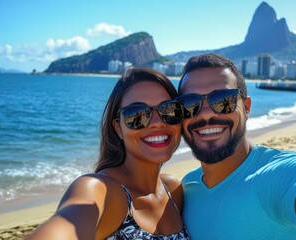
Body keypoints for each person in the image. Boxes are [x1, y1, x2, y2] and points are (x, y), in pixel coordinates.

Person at [177, 53, 296, 240]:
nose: (206, 114)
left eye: (224, 101)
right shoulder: (186, 188)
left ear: (246, 108)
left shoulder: (279, 176)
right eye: (190, 104)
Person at [26, 68, 190, 240]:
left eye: (169, 110)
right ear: (118, 128)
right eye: (137, 115)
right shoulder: (100, 189)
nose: (157, 123)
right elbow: (66, 225)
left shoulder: (173, 190)